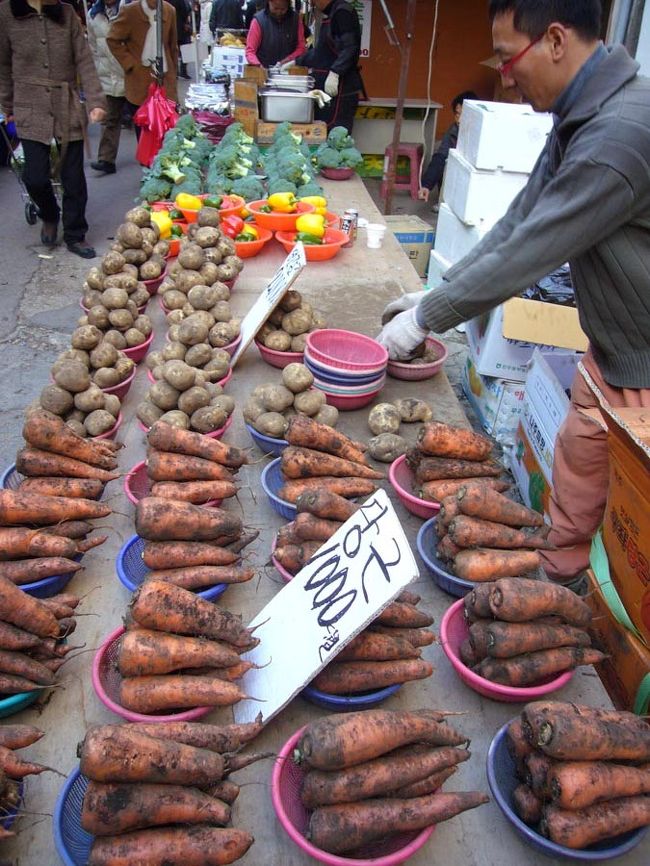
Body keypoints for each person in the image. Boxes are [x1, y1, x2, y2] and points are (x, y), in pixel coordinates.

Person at [377, 0, 650, 591]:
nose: (503, 74)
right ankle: (554, 593)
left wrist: (429, 318)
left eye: (507, 57)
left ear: (555, 40)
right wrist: (436, 295)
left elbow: (537, 248)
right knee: (576, 482)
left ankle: (606, 643)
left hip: (646, 365)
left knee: (637, 537)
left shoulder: (618, 135)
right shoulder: (581, 113)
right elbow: (520, 221)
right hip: (612, 351)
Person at [0, 0, 107, 258]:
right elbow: (3, 64)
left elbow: (84, 60)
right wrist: (5, 104)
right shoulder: (7, 13)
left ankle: (75, 234)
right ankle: (49, 214)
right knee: (34, 178)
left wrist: (95, 100)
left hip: (66, 103)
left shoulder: (67, 13)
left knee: (74, 180)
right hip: (29, 105)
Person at [283, 0, 362, 133]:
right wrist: (297, 61)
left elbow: (350, 48)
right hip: (326, 89)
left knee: (336, 134)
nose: (313, 4)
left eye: (313, 1)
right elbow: (320, 52)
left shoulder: (343, 13)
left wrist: (335, 72)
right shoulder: (332, 14)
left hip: (341, 89)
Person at [106, 0, 179, 130]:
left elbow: (172, 46)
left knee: (168, 133)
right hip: (139, 85)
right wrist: (130, 64)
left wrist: (173, 76)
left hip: (166, 82)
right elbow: (113, 39)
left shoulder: (169, 11)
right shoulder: (130, 11)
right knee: (144, 133)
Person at [418, 90, 478, 206]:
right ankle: (445, 203)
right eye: (457, 114)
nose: (459, 120)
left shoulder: (482, 133)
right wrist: (426, 185)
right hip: (456, 176)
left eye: (463, 115)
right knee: (444, 162)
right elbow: (440, 156)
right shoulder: (453, 131)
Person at [88, 0, 126, 175]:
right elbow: (93, 47)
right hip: (107, 74)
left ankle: (151, 158)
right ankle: (106, 159)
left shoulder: (128, 7)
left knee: (143, 119)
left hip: (129, 72)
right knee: (109, 118)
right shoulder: (93, 15)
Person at [245, 0, 305, 69]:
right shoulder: (258, 21)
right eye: (275, 8)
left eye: (283, 9)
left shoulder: (296, 20)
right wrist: (259, 67)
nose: (279, 12)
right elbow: (250, 51)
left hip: (289, 71)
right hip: (264, 71)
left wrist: (287, 60)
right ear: (269, 2)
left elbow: (301, 48)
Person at [168, 0, 192, 79]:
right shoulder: (182, 2)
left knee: (173, 50)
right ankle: (183, 71)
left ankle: (175, 71)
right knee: (185, 50)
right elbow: (186, 12)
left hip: (172, 27)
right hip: (182, 28)